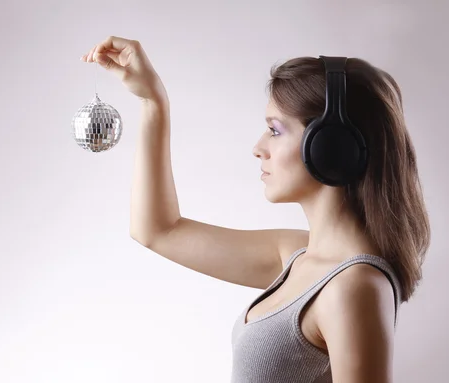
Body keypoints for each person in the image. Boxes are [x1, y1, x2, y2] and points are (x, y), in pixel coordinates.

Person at [81, 35, 431, 383]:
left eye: (275, 131)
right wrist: (153, 101)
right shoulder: (296, 256)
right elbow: (157, 230)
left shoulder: (353, 287)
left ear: (330, 146)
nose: (258, 148)